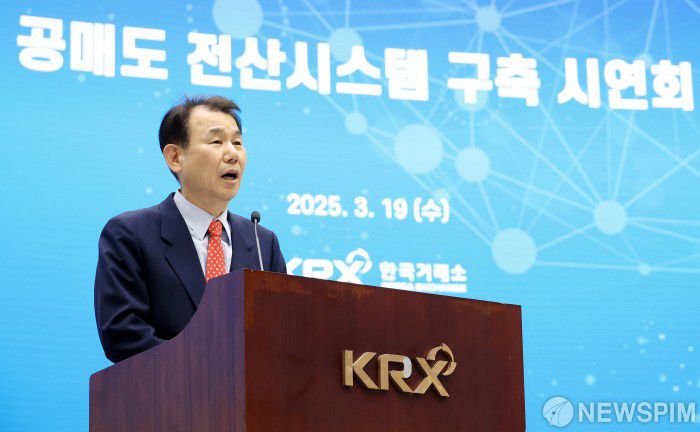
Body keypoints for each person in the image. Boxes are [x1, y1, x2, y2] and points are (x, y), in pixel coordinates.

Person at [94, 95, 286, 363]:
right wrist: (208, 368)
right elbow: (123, 335)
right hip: (166, 388)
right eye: (217, 142)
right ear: (175, 157)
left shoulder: (263, 243)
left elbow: (280, 335)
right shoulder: (130, 234)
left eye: (237, 142)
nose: (232, 154)